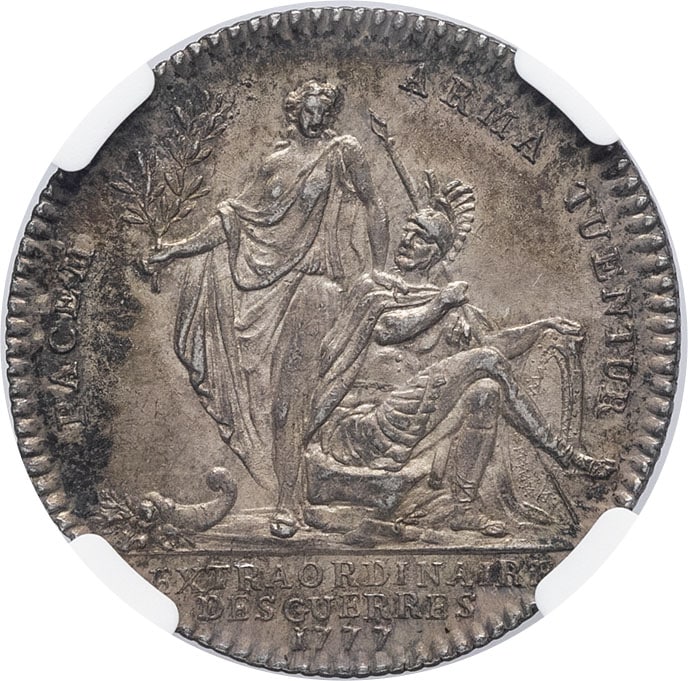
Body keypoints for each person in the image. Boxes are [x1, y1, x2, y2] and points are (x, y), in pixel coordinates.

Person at [147, 80, 389, 538]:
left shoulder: (343, 152)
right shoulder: (274, 163)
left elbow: (375, 205)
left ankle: (288, 504)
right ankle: (294, 495)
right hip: (268, 293)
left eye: (323, 111)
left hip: (318, 286)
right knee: (275, 406)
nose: (315, 119)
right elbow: (234, 221)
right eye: (308, 110)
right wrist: (175, 250)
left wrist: (378, 270)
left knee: (291, 400)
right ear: (295, 111)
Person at [310, 202, 616, 538]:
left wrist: (542, 326)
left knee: (487, 392)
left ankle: (462, 506)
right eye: (407, 230)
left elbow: (496, 346)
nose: (407, 240)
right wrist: (441, 303)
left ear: (436, 253)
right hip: (358, 427)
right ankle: (565, 454)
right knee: (486, 361)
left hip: (410, 425)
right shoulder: (375, 288)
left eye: (420, 237)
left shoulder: (450, 303)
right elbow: (387, 329)